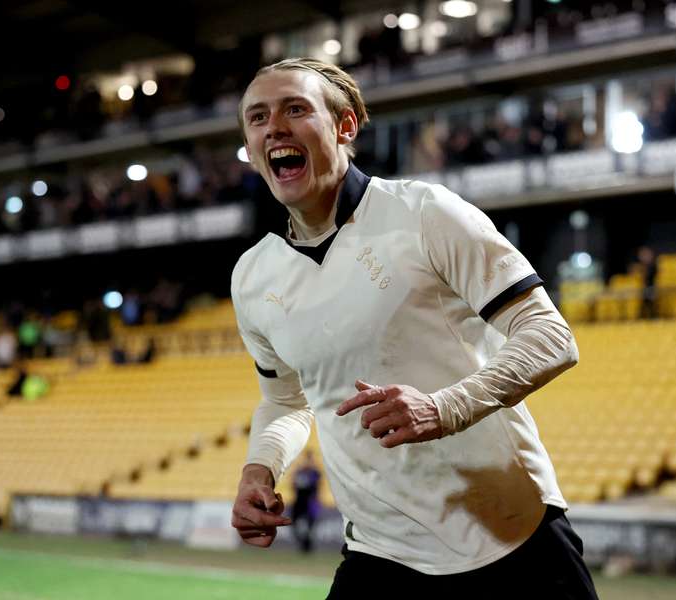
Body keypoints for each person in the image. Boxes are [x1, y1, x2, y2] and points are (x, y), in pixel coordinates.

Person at [230, 58, 596, 598]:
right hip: (380, 554)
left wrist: (444, 407)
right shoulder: (252, 276)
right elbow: (286, 402)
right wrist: (258, 470)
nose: (274, 127)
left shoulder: (424, 212)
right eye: (257, 117)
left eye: (295, 109)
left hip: (510, 538)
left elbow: (549, 334)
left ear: (345, 125)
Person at [290, 450, 321, 553]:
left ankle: (308, 546)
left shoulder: (314, 472)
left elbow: (316, 484)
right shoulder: (300, 472)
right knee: (294, 522)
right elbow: (293, 485)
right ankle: (302, 544)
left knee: (310, 525)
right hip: (299, 501)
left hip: (310, 502)